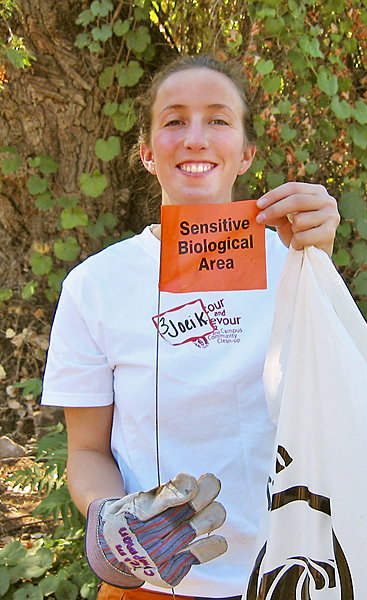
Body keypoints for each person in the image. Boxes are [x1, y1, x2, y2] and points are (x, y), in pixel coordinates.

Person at [41, 54, 340, 600]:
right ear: (147, 153)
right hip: (153, 585)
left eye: (219, 119)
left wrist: (318, 261)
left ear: (246, 153)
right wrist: (111, 519)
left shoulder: (297, 261)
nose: (195, 137)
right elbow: (86, 452)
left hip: (289, 578)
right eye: (174, 120)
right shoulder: (95, 286)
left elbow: (344, 413)